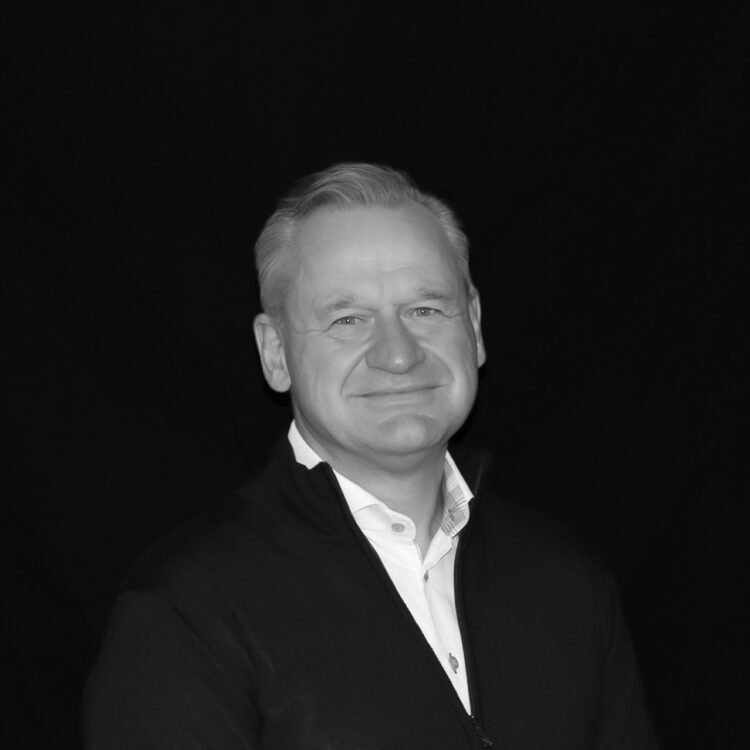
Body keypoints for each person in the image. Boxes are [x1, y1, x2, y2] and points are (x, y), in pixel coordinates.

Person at [84, 163, 657, 749]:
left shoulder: (568, 582)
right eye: (348, 319)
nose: (399, 355)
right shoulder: (187, 612)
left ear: (475, 326)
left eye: (425, 310)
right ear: (275, 353)